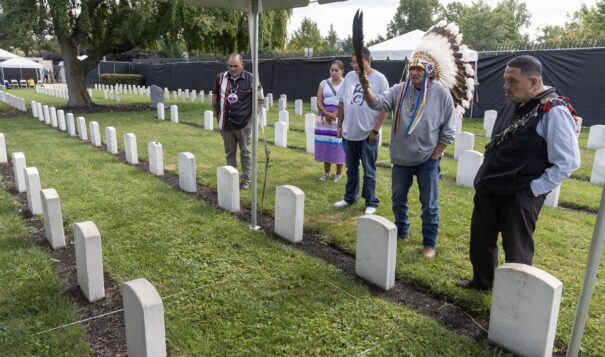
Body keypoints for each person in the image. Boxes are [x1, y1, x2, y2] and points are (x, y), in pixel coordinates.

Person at [457, 55, 581, 290]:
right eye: (505, 80)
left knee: (516, 250)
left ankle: (515, 297)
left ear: (534, 82)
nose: (505, 87)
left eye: (512, 81)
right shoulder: (513, 103)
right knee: (481, 241)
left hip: (519, 194)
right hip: (491, 188)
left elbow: (567, 162)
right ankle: (483, 282)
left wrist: (532, 190)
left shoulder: (554, 112)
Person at [359, 22, 473, 258]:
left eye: (419, 70)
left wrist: (435, 154)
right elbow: (376, 103)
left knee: (428, 205)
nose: (414, 73)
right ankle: (401, 232)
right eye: (411, 69)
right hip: (401, 159)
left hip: (427, 161)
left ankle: (429, 244)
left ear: (429, 71)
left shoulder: (440, 94)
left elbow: (448, 130)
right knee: (398, 200)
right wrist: (365, 87)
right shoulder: (400, 89)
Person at [333, 47, 389, 215]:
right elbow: (342, 102)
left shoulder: (379, 79)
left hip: (368, 134)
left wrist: (375, 130)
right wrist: (339, 125)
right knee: (351, 169)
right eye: (353, 62)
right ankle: (350, 197)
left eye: (358, 62)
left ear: (368, 61)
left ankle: (371, 201)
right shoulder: (349, 77)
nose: (354, 65)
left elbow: (385, 107)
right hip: (349, 132)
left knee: (369, 170)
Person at [213, 53, 254, 190]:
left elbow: (259, 101)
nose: (233, 69)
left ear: (242, 65)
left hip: (243, 125)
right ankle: (233, 178)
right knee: (230, 153)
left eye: (236, 66)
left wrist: (251, 120)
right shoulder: (220, 78)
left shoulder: (251, 79)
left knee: (245, 152)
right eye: (230, 66)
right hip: (226, 124)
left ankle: (246, 180)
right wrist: (217, 117)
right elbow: (215, 98)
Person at [315, 60, 346, 182]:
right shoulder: (324, 83)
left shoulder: (346, 83)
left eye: (336, 70)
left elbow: (347, 100)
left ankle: (338, 174)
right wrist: (326, 113)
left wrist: (337, 114)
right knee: (325, 144)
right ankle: (326, 173)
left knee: (339, 145)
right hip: (324, 117)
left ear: (342, 71)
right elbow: (319, 100)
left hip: (340, 115)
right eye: (332, 70)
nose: (334, 72)